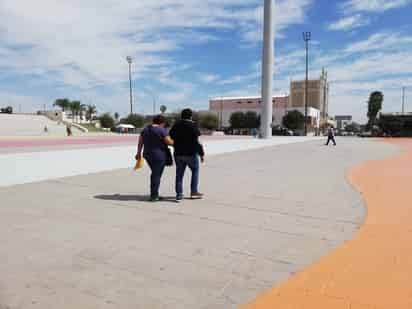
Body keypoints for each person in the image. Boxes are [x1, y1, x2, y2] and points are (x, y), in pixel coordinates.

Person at [136, 115, 174, 202]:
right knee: (156, 175)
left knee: (155, 174)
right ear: (162, 123)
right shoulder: (161, 130)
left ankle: (155, 193)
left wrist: (138, 153)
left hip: (147, 155)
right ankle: (154, 196)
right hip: (159, 156)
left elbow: (140, 142)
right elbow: (169, 142)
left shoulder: (145, 129)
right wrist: (177, 143)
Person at [169, 108, 204, 202]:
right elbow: (197, 141)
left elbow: (170, 135)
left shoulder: (176, 125)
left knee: (179, 174)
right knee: (195, 171)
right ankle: (194, 192)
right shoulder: (193, 125)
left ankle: (179, 194)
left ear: (181, 115)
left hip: (178, 153)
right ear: (191, 116)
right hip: (191, 153)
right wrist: (201, 153)